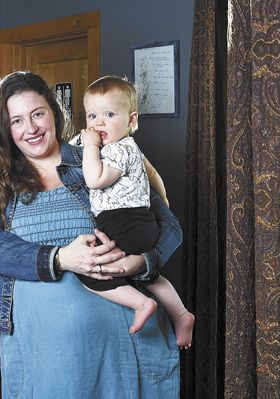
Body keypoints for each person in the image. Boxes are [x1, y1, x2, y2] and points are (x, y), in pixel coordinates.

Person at [0, 71, 182, 398]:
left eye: (38, 114)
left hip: (120, 341)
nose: (31, 128)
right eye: (16, 120)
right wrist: (59, 258)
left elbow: (168, 225)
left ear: (54, 114)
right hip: (41, 354)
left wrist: (143, 262)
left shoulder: (100, 159)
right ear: (5, 129)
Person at [78, 75, 194, 348]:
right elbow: (151, 172)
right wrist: (162, 198)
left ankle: (141, 304)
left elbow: (94, 179)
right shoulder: (130, 149)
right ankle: (181, 314)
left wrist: (90, 147)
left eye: (109, 114)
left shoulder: (118, 149)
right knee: (149, 275)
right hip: (140, 221)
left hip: (124, 221)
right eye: (92, 115)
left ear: (131, 120)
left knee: (92, 273)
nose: (99, 123)